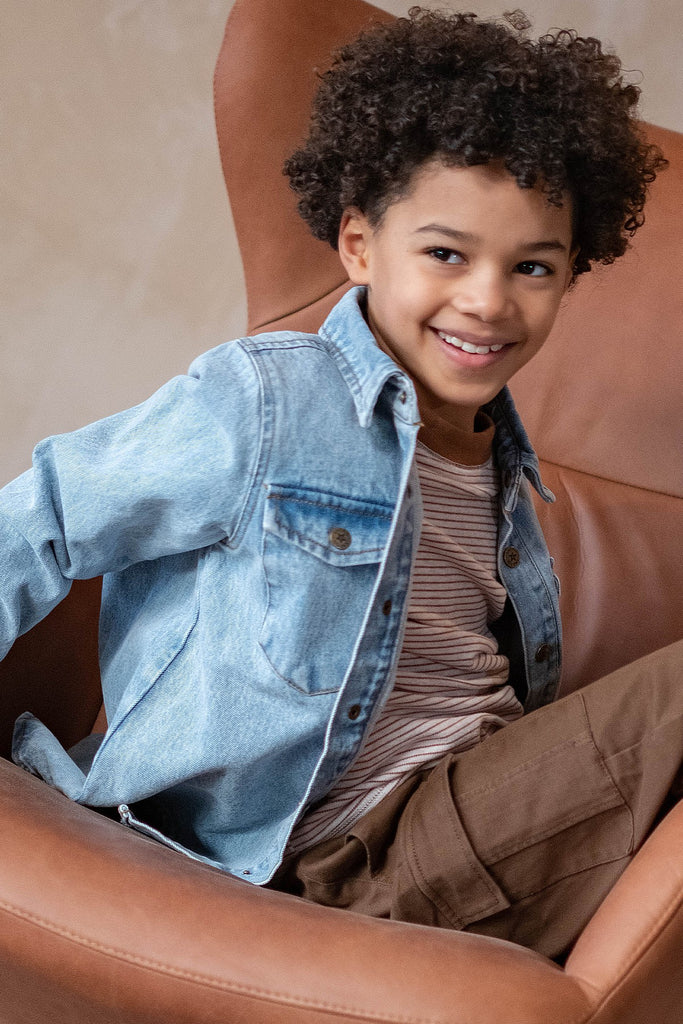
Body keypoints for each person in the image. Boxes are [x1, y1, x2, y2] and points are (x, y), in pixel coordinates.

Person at [1, 8, 679, 960]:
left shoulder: (501, 466)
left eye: (532, 266)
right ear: (359, 245)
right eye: (445, 253)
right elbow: (39, 522)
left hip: (485, 812)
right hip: (349, 852)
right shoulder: (266, 400)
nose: (487, 300)